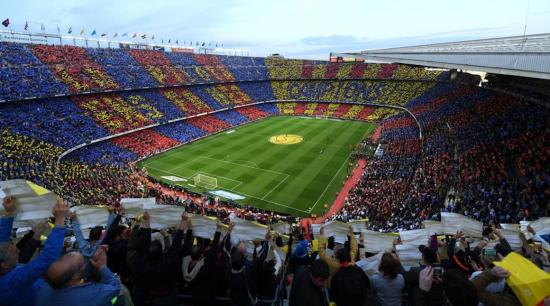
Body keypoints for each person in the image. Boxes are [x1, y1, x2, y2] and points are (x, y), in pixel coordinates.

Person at [0, 196, 68, 306]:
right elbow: (47, 258)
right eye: (15, 252)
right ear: (4, 265)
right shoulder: (15, 281)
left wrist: (9, 212)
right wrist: (60, 221)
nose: (18, 251)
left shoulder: (4, 262)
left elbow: (2, 239)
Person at [36, 245, 121, 305]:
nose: (85, 262)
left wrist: (94, 248)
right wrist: (102, 267)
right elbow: (115, 288)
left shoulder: (43, 288)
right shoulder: (93, 294)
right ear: (75, 276)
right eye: (83, 262)